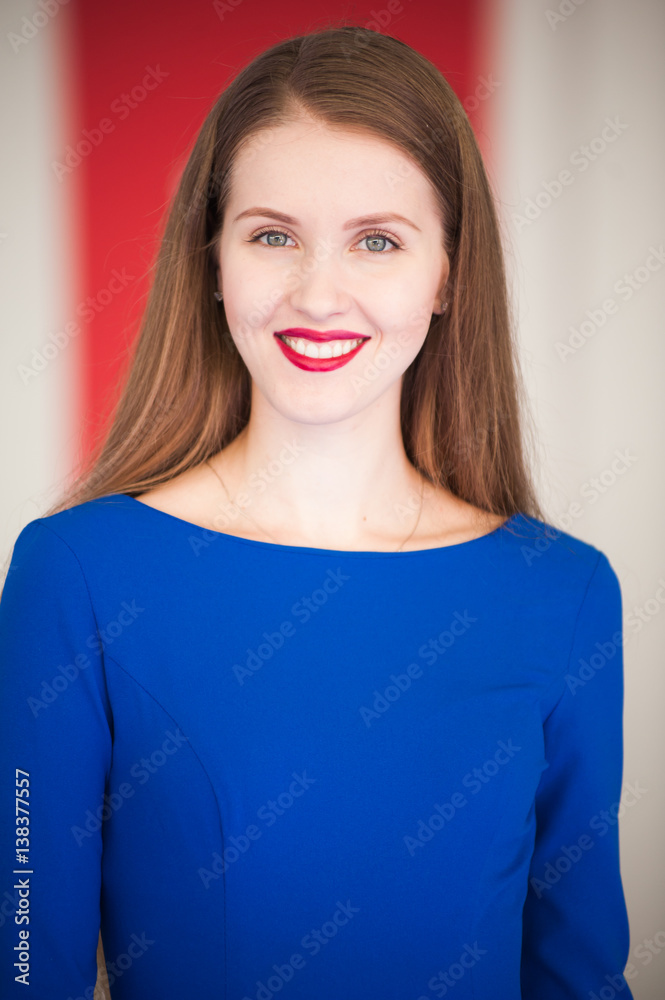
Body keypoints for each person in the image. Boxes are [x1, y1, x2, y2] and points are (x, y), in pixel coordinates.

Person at [0, 23, 632, 1000]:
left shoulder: (564, 592)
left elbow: (578, 976)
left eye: (375, 240)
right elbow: (24, 964)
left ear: (446, 275)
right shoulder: (75, 574)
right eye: (271, 235)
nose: (317, 293)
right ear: (213, 262)